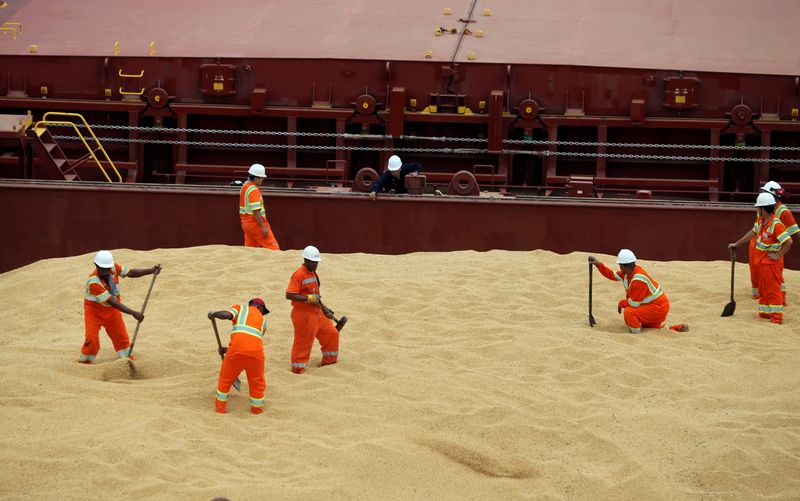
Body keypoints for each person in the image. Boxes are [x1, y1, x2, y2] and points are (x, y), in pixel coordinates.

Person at [79, 250, 161, 364]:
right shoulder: (93, 282)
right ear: (96, 266)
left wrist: (150, 271)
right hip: (94, 312)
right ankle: (85, 363)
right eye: (103, 269)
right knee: (91, 339)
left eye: (108, 269)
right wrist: (133, 313)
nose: (106, 272)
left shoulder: (113, 267)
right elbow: (113, 302)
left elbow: (131, 273)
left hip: (111, 311)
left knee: (121, 338)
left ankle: (126, 361)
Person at [588, 250, 688, 334]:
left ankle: (635, 334)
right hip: (654, 306)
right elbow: (612, 275)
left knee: (629, 312)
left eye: (620, 266)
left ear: (623, 266)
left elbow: (634, 304)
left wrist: (621, 303)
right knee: (650, 327)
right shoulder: (629, 273)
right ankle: (677, 328)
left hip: (657, 308)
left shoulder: (638, 279)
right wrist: (598, 265)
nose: (619, 268)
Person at [729, 192, 793, 324]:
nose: (757, 210)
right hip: (762, 263)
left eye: (758, 208)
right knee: (763, 289)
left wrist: (777, 255)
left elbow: (788, 242)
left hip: (772, 263)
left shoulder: (776, 224)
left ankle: (776, 317)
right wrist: (737, 243)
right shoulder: (761, 221)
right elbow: (753, 232)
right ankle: (765, 313)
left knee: (773, 289)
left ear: (763, 208)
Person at [207, 298, 270, 414]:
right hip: (257, 354)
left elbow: (226, 315)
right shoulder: (264, 322)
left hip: (236, 352)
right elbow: (250, 341)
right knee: (257, 382)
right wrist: (226, 349)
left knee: (225, 380)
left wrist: (213, 314)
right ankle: (257, 410)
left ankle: (220, 408)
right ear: (259, 307)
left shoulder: (240, 308)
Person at [285, 245, 340, 374]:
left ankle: (329, 362)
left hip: (317, 313)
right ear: (306, 260)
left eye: (317, 262)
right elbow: (289, 294)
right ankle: (298, 368)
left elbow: (316, 296)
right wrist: (308, 299)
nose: (316, 264)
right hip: (304, 315)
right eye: (313, 262)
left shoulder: (313, 273)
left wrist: (324, 308)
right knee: (303, 343)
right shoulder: (298, 275)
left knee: (332, 334)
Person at [751, 181, 798, 303]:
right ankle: (761, 295)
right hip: (760, 248)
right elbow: (756, 229)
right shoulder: (762, 207)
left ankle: (779, 299)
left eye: (764, 192)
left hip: (772, 251)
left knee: (775, 278)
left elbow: (794, 234)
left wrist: (778, 254)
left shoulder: (783, 212)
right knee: (759, 274)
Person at [239, 163, 280, 249]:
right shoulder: (254, 190)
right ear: (256, 178)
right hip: (255, 224)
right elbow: (256, 211)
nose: (263, 180)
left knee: (251, 249)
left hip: (246, 223)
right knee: (273, 248)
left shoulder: (245, 187)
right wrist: (263, 227)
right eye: (262, 178)